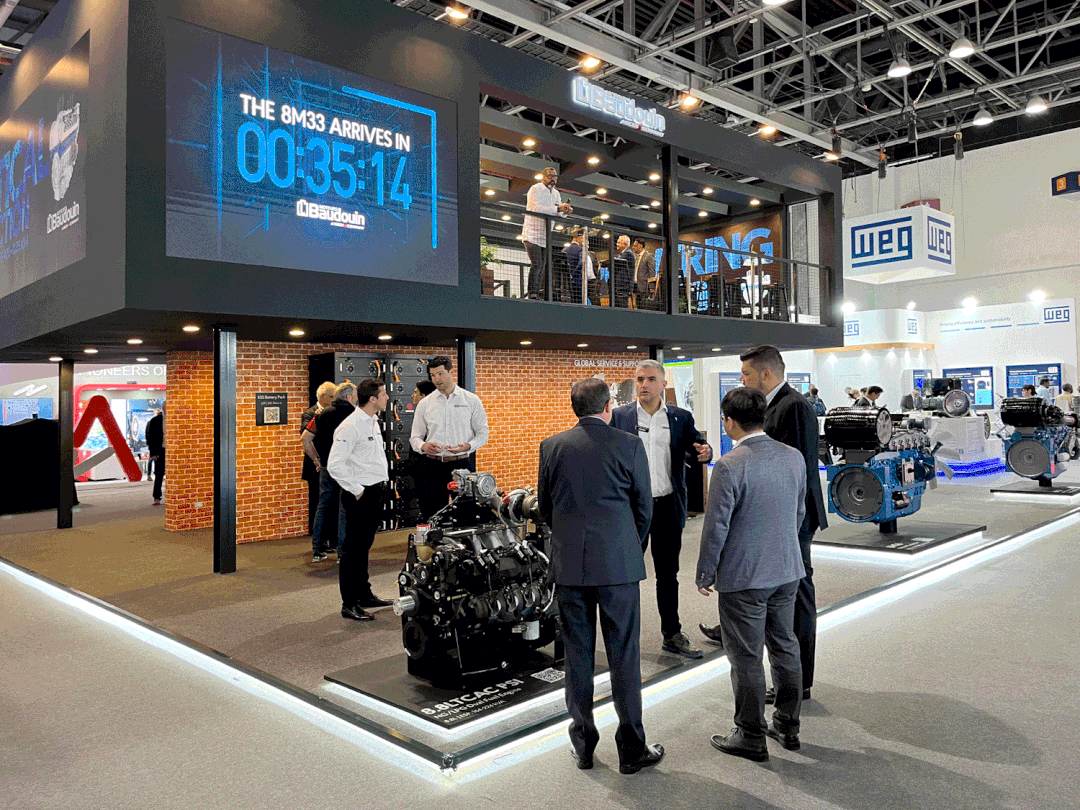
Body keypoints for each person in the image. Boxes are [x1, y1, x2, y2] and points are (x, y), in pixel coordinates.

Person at [537, 377, 664, 775]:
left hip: (570, 567)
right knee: (624, 655)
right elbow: (644, 508)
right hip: (618, 566)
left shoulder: (552, 446)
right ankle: (632, 749)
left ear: (574, 407)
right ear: (608, 406)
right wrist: (627, 546)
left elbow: (545, 508)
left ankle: (583, 746)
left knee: (577, 657)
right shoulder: (629, 444)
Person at [701, 346, 826, 701]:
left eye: (746, 374)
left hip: (791, 522)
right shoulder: (775, 406)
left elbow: (794, 470)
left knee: (796, 599)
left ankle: (799, 682)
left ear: (766, 375)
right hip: (780, 520)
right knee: (778, 597)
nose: (742, 380)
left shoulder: (793, 406)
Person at [696, 387, 807, 761]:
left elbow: (716, 526)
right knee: (785, 644)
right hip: (787, 568)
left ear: (728, 422)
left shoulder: (729, 464)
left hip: (744, 575)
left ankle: (750, 734)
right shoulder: (793, 457)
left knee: (745, 656)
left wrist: (705, 572)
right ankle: (788, 726)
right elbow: (799, 512)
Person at [612, 360, 711, 659]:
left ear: (663, 384)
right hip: (632, 510)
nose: (644, 385)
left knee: (668, 575)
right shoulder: (620, 417)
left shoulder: (680, 417)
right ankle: (622, 637)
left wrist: (705, 452)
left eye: (651, 379)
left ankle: (672, 633)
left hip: (668, 505)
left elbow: (697, 446)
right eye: (640, 379)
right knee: (626, 575)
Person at [328, 379, 393, 621]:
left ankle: (364, 594)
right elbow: (334, 464)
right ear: (373, 399)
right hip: (360, 494)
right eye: (383, 394)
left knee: (364, 546)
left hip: (374, 490)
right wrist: (357, 490)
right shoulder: (350, 425)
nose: (387, 398)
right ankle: (349, 603)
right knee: (353, 550)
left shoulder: (372, 421)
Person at [409, 356, 489, 519]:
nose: (436, 379)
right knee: (434, 515)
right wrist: (423, 446)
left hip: (462, 465)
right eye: (433, 375)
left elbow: (483, 433)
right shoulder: (425, 404)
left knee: (466, 514)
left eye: (440, 374)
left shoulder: (471, 400)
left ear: (451, 372)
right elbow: (415, 437)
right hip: (433, 466)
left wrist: (468, 446)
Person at [302, 381, 357, 561]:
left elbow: (305, 439)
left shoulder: (321, 415)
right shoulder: (355, 415)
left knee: (323, 505)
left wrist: (316, 459)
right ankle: (342, 553)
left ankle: (318, 550)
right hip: (347, 467)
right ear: (349, 397)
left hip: (327, 466)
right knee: (345, 507)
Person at [521, 166, 572, 299]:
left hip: (545, 236)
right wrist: (558, 209)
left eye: (555, 177)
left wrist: (565, 211)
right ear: (543, 177)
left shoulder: (556, 193)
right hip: (531, 234)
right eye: (550, 176)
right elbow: (535, 208)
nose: (552, 179)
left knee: (542, 266)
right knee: (537, 264)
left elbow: (558, 212)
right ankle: (532, 293)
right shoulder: (535, 189)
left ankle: (536, 293)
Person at [301, 382, 336, 535]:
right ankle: (317, 537)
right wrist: (317, 418)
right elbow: (305, 434)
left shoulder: (333, 412)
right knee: (317, 502)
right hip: (315, 465)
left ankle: (329, 535)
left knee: (330, 502)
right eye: (332, 396)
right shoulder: (310, 413)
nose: (335, 400)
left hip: (329, 462)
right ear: (322, 397)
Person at [561, 227, 598, 305]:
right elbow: (582, 263)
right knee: (580, 301)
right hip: (578, 280)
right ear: (579, 237)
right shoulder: (580, 249)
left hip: (567, 281)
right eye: (583, 237)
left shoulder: (564, 250)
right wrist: (574, 273)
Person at [146, 405, 165, 505]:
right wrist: (152, 453)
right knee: (159, 474)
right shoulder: (155, 421)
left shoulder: (176, 419)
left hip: (173, 451)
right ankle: (157, 496)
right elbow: (150, 438)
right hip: (160, 451)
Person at [610, 235, 636, 308]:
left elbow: (616, 263)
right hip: (621, 285)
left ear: (625, 244)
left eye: (619, 242)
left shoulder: (628, 253)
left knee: (622, 305)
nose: (616, 244)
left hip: (623, 285)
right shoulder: (624, 254)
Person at [630, 238, 656, 309]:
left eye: (635, 245)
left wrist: (651, 287)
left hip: (644, 286)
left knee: (644, 306)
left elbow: (652, 272)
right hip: (636, 285)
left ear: (640, 246)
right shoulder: (636, 258)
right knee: (637, 305)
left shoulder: (649, 256)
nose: (633, 247)